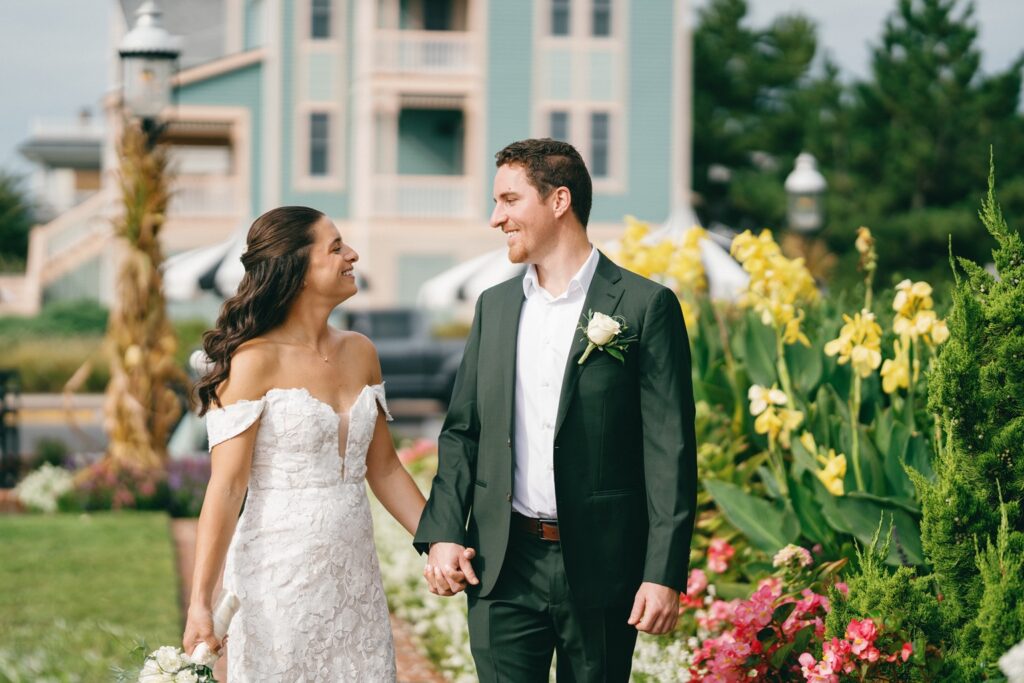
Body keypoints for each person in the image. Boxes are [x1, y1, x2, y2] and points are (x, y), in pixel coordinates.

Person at [413, 139, 698, 681]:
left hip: (602, 567)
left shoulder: (644, 306)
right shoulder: (493, 307)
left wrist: (663, 573)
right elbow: (463, 432)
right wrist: (445, 531)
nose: (496, 218)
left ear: (559, 200)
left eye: (509, 200)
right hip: (501, 565)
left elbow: (670, 451)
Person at [182, 206, 435, 681]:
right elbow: (227, 487)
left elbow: (383, 469)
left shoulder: (361, 351)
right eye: (336, 246)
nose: (352, 254)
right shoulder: (252, 362)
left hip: (355, 581)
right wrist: (201, 602)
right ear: (296, 269)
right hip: (277, 583)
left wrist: (439, 542)